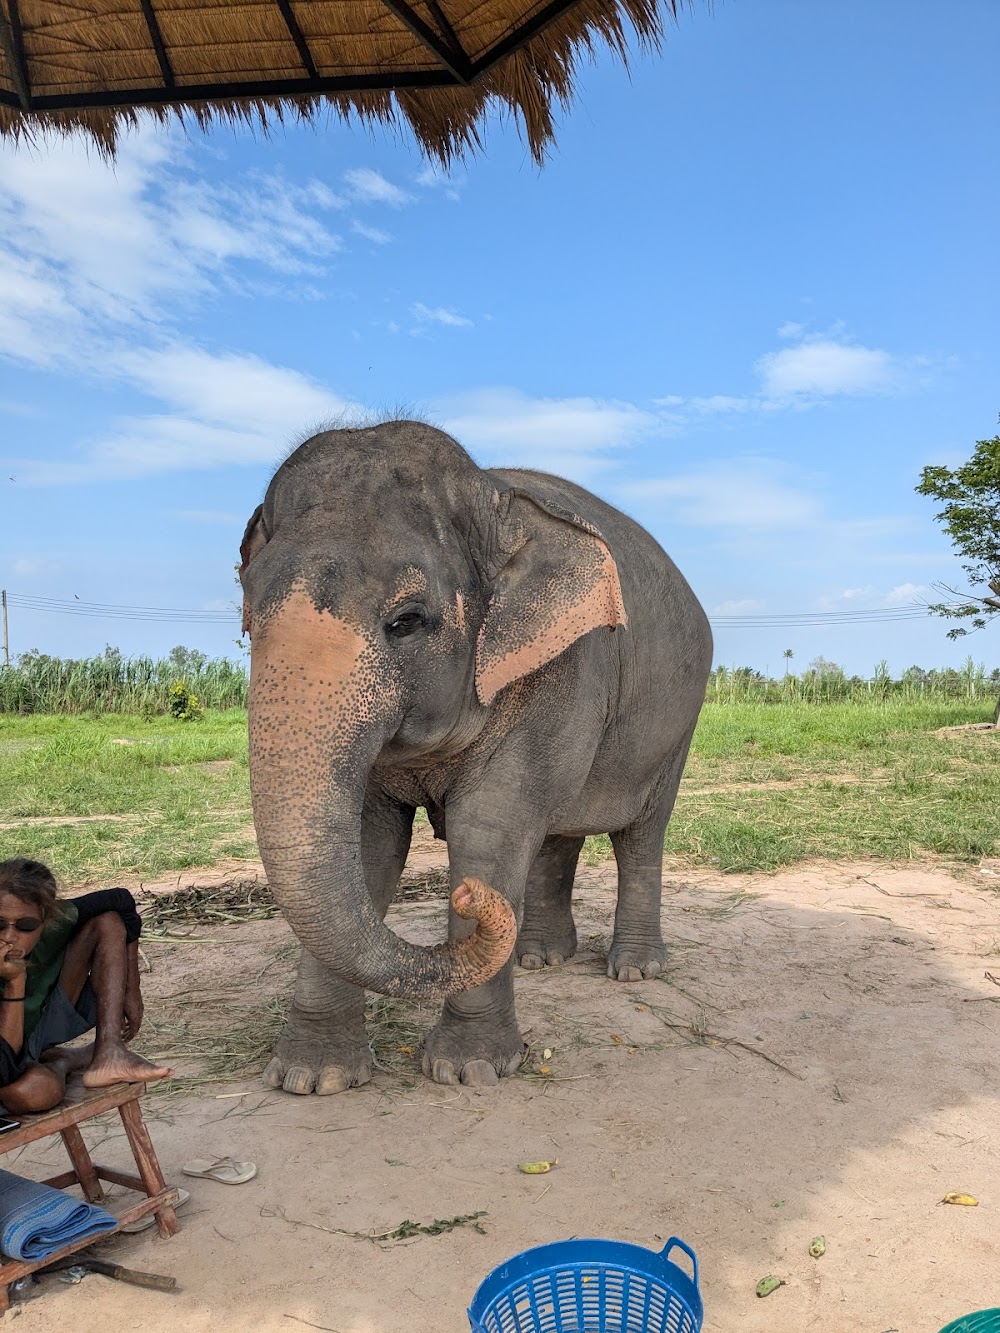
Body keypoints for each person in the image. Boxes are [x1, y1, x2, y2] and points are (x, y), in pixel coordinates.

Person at [0, 857, 171, 1115]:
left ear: (45, 919)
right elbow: (6, 1066)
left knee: (108, 922)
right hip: (5, 1057)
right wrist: (15, 980)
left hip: (38, 1027)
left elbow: (121, 901)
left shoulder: (53, 919)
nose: (9, 937)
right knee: (32, 1093)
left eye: (25, 926)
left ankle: (109, 1050)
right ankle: (62, 1062)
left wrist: (132, 990)